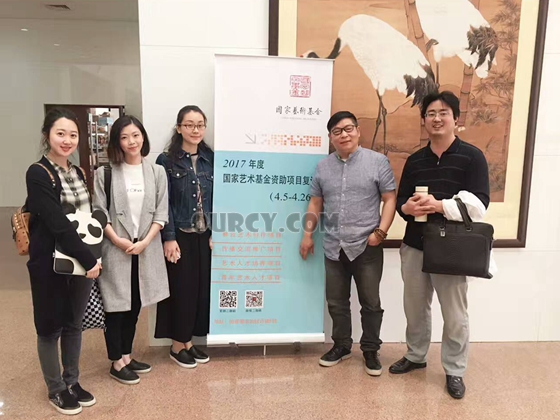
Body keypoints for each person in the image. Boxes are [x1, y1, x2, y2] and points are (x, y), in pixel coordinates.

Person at [389, 91, 490, 399]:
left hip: (452, 249)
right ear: (424, 120)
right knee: (414, 308)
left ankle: (455, 369)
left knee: (455, 315)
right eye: (431, 113)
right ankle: (416, 355)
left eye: (443, 113)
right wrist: (407, 208)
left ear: (455, 118)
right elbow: (402, 200)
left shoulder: (472, 157)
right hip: (415, 244)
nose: (436, 118)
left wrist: (439, 205)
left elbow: (480, 203)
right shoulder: (415, 160)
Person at [300, 111, 397, 376]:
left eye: (348, 129)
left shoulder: (378, 162)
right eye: (337, 131)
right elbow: (315, 203)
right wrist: (307, 235)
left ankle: (370, 350)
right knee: (336, 302)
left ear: (358, 131)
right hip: (334, 246)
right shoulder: (323, 167)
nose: (343, 135)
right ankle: (341, 346)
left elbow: (390, 199)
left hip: (367, 245)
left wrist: (381, 232)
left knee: (371, 303)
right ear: (330, 137)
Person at [26, 108, 101, 415]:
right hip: (51, 262)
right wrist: (89, 259)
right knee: (49, 327)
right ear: (47, 135)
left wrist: (93, 255)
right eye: (60, 134)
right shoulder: (38, 173)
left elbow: (87, 216)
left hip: (81, 261)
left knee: (74, 324)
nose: (67, 140)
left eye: (72, 134)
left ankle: (72, 381)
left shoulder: (79, 172)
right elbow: (57, 223)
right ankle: (56, 388)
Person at [92, 116, 170, 385]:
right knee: (116, 307)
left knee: (135, 305)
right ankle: (116, 362)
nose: (131, 142)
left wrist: (146, 241)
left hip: (146, 248)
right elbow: (99, 213)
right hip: (117, 248)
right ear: (117, 142)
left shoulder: (157, 172)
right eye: (124, 137)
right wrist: (117, 240)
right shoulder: (105, 173)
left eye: (135, 135)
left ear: (143, 137)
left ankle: (126, 355)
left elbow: (161, 212)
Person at [154, 105, 214, 368]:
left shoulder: (211, 158)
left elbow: (219, 198)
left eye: (200, 124)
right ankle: (177, 345)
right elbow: (163, 202)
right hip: (179, 234)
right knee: (180, 290)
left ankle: (188, 342)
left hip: (204, 235)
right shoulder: (166, 160)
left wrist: (216, 231)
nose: (195, 130)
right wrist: (168, 237)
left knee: (200, 290)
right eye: (189, 124)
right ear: (179, 128)